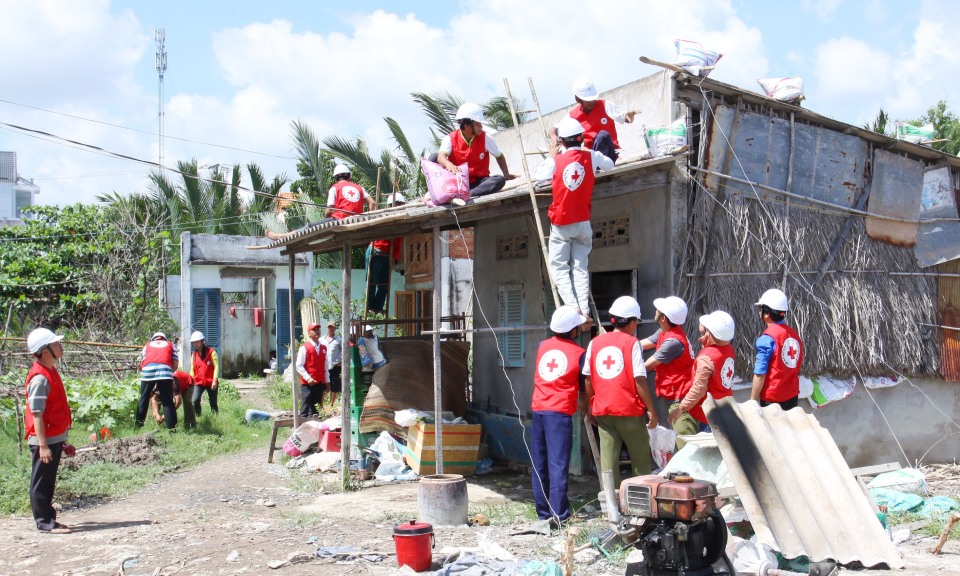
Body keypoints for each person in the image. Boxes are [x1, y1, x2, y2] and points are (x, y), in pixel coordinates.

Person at [534, 117, 614, 323]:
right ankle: (586, 310)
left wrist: (552, 155)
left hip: (562, 223)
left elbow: (538, 176)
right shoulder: (592, 156)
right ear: (581, 138)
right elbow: (610, 165)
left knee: (559, 268)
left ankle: (574, 308)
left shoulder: (555, 161)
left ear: (562, 142)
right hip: (583, 222)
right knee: (580, 268)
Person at [582, 296, 658, 486]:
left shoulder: (594, 343)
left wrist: (591, 406)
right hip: (629, 410)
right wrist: (651, 409)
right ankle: (641, 501)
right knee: (640, 459)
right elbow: (639, 379)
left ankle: (611, 504)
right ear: (632, 322)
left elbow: (588, 379)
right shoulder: (632, 343)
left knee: (608, 461)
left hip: (604, 411)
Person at [530, 306, 587, 524]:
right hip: (559, 412)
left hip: (539, 409)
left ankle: (543, 514)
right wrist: (585, 406)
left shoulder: (543, 346)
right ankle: (560, 515)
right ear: (574, 331)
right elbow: (583, 386)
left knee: (539, 464)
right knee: (558, 465)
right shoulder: (579, 354)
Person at [24, 328, 73, 534]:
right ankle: (44, 522)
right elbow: (37, 414)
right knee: (41, 482)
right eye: (55, 344)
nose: (61, 346)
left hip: (52, 436)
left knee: (48, 480)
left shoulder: (50, 370)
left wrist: (60, 441)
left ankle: (49, 519)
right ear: (45, 351)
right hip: (43, 439)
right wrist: (43, 445)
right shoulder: (40, 378)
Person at [264, 164, 376, 240]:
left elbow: (329, 210)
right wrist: (369, 218)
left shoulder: (335, 188)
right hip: (357, 220)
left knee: (309, 227)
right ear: (350, 176)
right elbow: (373, 203)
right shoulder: (359, 188)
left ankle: (281, 236)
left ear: (336, 177)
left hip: (339, 220)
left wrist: (327, 220)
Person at [429, 102, 517, 197]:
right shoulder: (450, 138)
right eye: (477, 124)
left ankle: (469, 194)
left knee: (499, 180)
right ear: (467, 126)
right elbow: (441, 157)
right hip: (456, 181)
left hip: (478, 183)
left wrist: (506, 174)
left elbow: (499, 155)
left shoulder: (486, 138)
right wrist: (448, 164)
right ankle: (438, 191)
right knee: (433, 157)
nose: (481, 127)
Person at [640, 296, 695, 448]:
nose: (655, 311)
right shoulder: (665, 332)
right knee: (679, 443)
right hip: (675, 395)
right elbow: (639, 345)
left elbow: (645, 367)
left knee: (686, 447)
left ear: (663, 318)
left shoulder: (673, 342)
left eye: (659, 310)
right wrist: (617, 341)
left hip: (681, 399)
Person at [668, 311, 736, 431]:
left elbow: (698, 389)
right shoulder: (728, 349)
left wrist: (680, 409)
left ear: (709, 333)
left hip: (709, 415)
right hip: (726, 409)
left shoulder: (706, 358)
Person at [550, 77, 640, 163]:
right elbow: (552, 130)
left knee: (602, 135)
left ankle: (597, 163)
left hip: (609, 154)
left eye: (592, 98)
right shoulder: (573, 115)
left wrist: (628, 117)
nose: (591, 101)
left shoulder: (606, 105)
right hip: (589, 155)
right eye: (587, 100)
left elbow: (625, 117)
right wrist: (555, 139)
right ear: (578, 99)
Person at [750, 289, 803, 410]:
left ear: (767, 314)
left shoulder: (767, 339)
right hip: (792, 395)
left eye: (761, 309)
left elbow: (760, 374)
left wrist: (752, 401)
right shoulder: (794, 334)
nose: (759, 312)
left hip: (773, 399)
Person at [367, 192, 406, 313]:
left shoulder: (401, 219)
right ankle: (370, 306)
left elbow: (397, 243)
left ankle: (378, 306)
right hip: (376, 251)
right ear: (395, 204)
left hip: (386, 255)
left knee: (384, 283)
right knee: (372, 280)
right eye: (402, 204)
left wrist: (394, 258)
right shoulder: (384, 216)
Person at [136, 332, 179, 430]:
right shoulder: (171, 345)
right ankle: (171, 428)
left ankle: (138, 425)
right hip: (165, 371)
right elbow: (175, 365)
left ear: (153, 339)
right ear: (164, 339)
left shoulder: (147, 346)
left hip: (148, 371)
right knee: (167, 400)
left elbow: (143, 364)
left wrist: (150, 386)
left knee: (144, 397)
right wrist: (167, 374)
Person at [296, 323, 329, 417]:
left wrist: (327, 381)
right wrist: (308, 378)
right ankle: (301, 426)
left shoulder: (323, 347)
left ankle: (313, 426)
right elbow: (299, 366)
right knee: (306, 404)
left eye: (318, 329)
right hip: (308, 383)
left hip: (319, 381)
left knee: (316, 407)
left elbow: (325, 365)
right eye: (314, 330)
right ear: (309, 333)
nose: (317, 331)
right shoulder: (304, 347)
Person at [190, 331, 220, 416]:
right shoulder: (194, 354)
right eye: (194, 342)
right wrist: (191, 380)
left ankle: (215, 418)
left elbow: (216, 366)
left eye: (197, 342)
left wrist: (215, 380)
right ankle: (198, 415)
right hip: (198, 381)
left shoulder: (211, 352)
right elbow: (192, 369)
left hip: (211, 381)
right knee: (195, 400)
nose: (195, 344)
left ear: (202, 341)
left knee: (213, 402)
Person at [319, 321, 343, 409]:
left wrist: (342, 362)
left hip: (334, 365)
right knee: (323, 385)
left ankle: (331, 404)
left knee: (334, 384)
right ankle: (321, 404)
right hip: (323, 366)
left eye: (332, 327)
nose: (331, 329)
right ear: (326, 328)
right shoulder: (321, 340)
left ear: (335, 329)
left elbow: (345, 351)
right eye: (329, 327)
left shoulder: (339, 340)